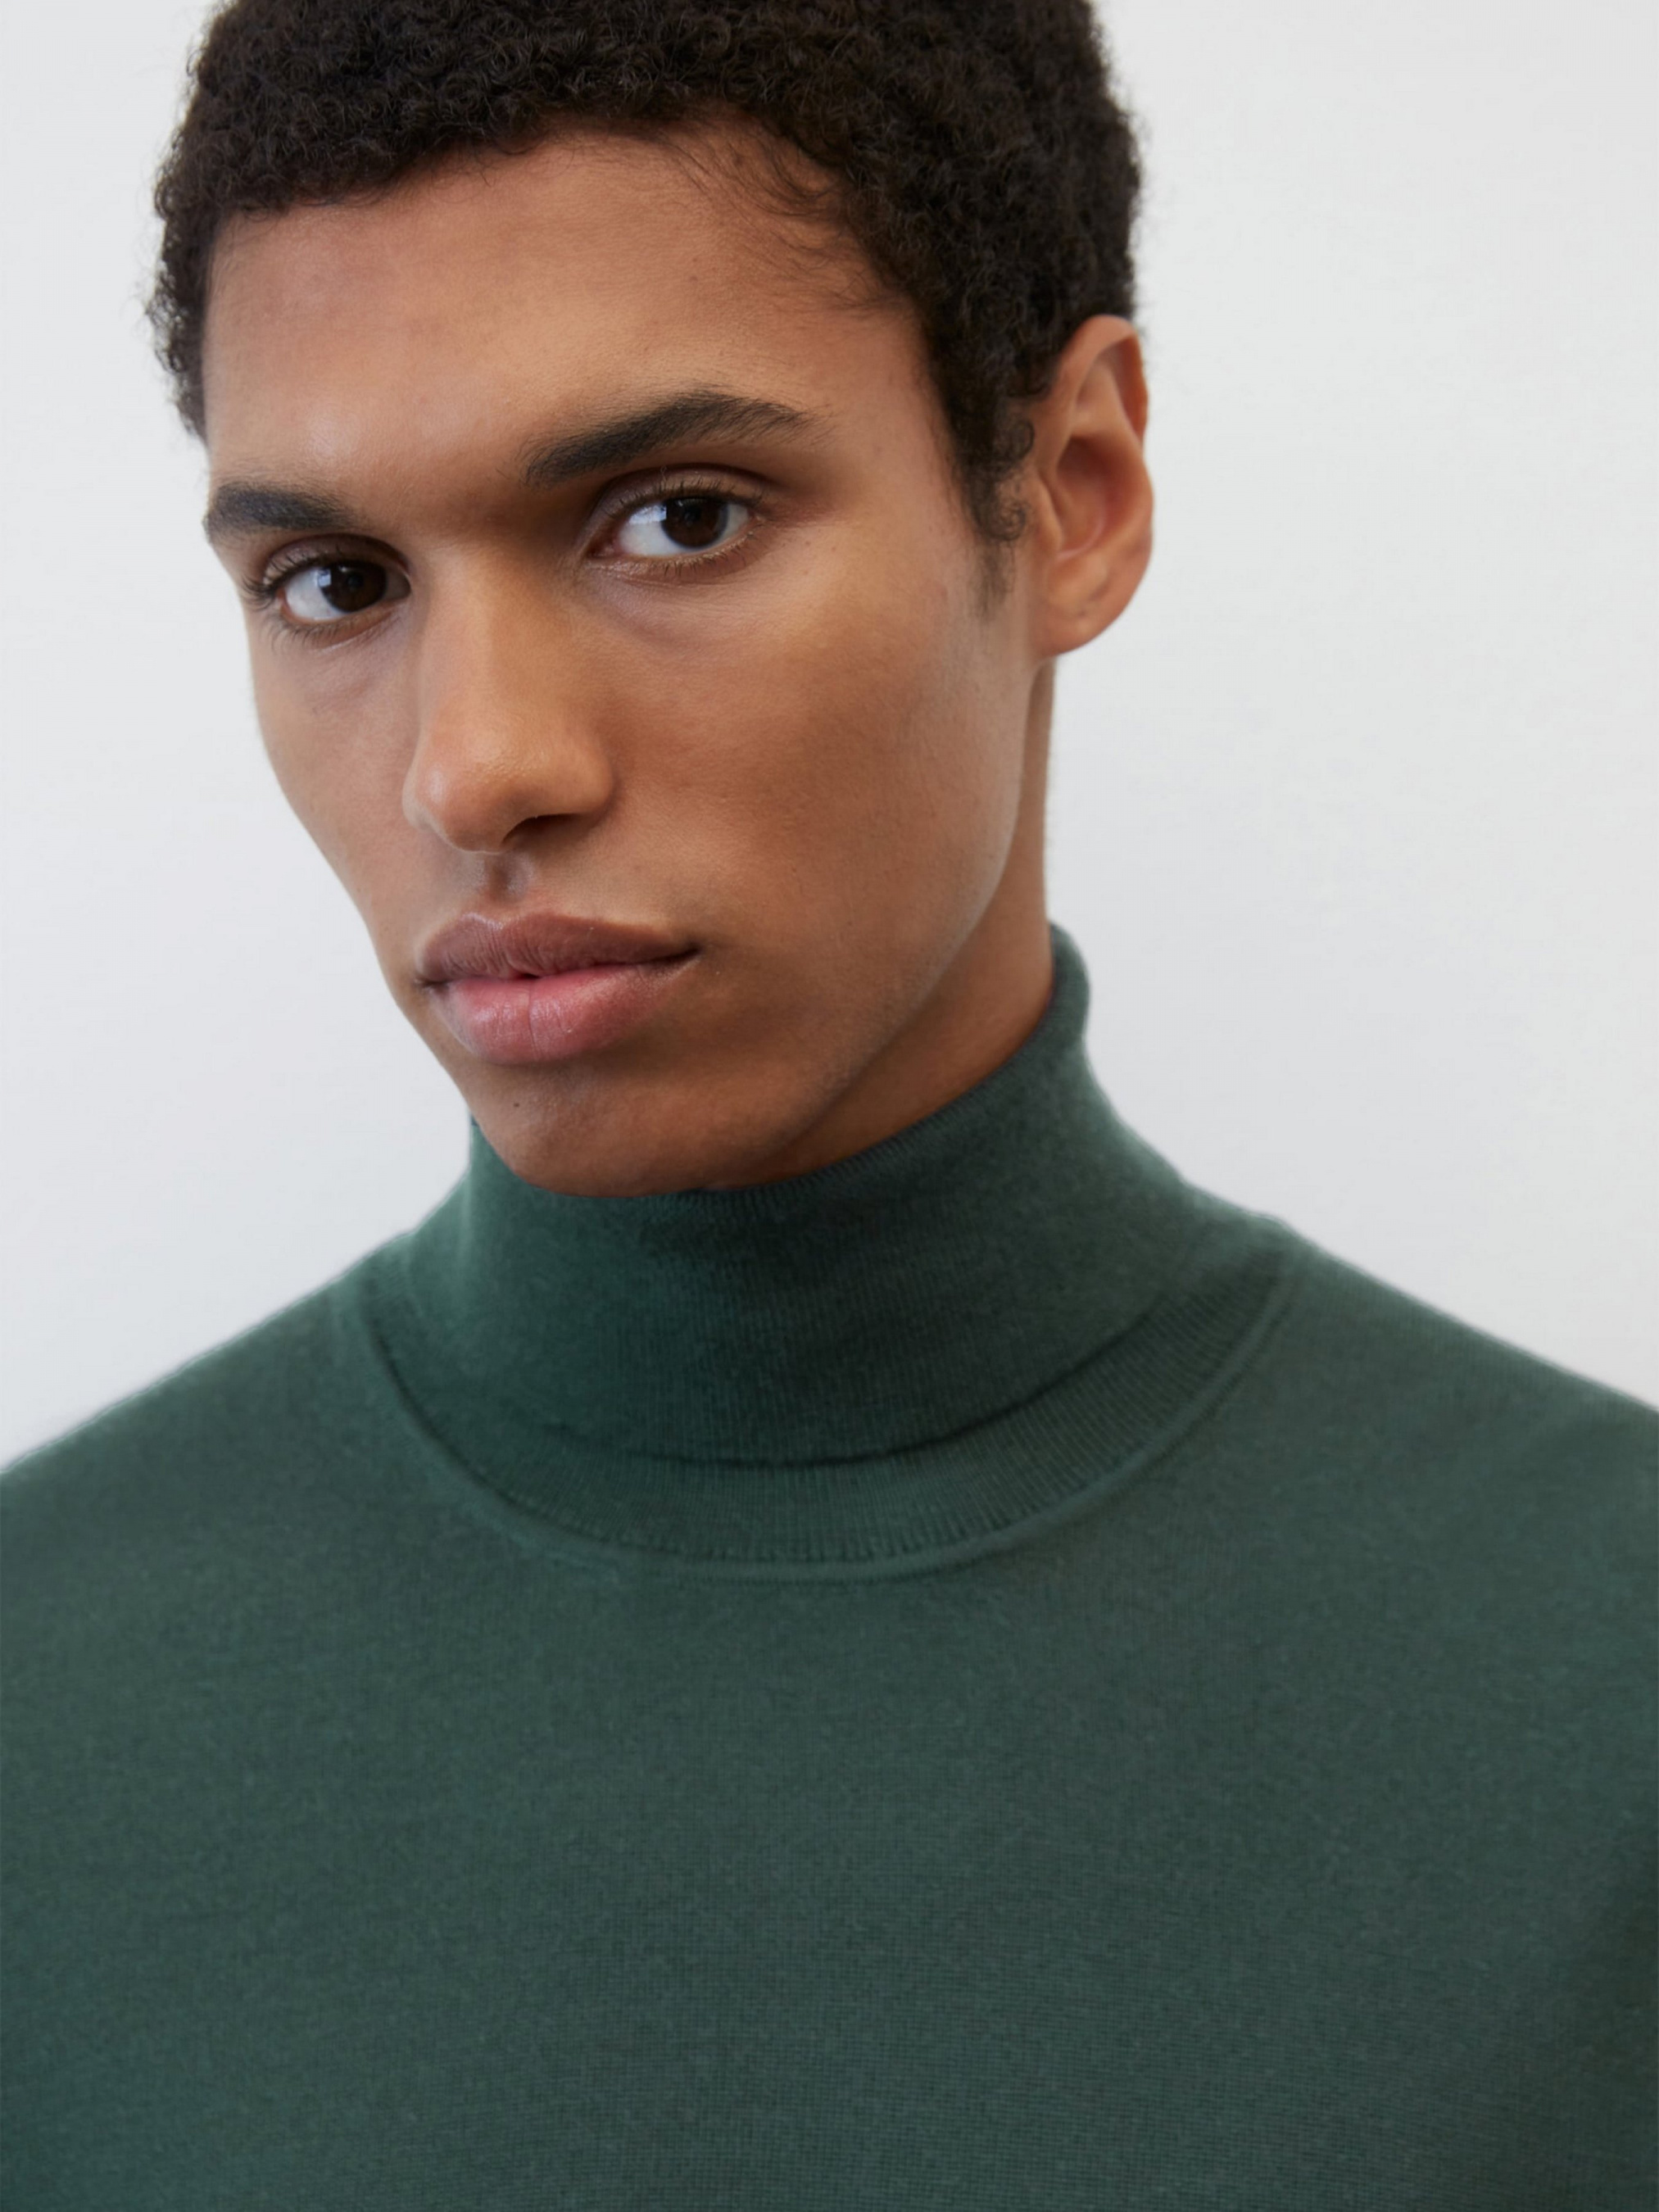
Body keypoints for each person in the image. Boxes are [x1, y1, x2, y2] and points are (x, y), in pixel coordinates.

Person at [2, 0, 1652, 2200]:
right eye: (337, 582)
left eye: (676, 519)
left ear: (1073, 493)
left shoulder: (1609, 1679)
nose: (473, 767)